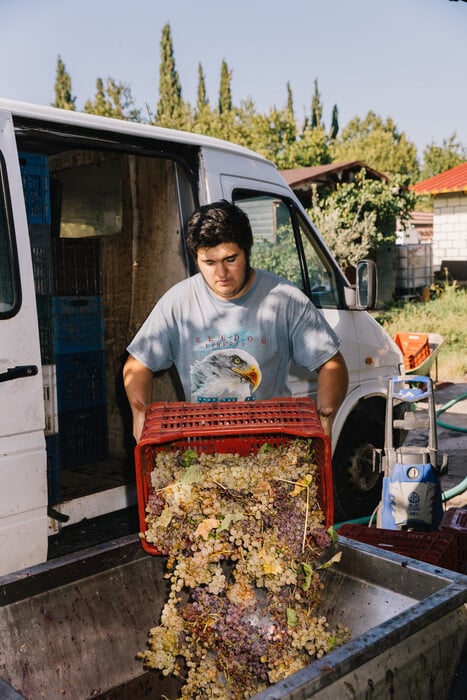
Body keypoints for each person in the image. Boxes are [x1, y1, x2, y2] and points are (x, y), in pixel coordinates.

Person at [123, 200, 348, 441]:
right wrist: (139, 412)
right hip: (203, 446)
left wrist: (326, 417)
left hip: (271, 443)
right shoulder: (178, 302)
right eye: (209, 263)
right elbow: (137, 365)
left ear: (247, 251)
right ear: (196, 259)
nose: (221, 274)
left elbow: (331, 364)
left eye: (230, 259)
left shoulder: (284, 298)